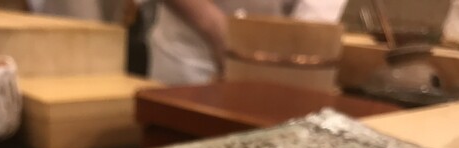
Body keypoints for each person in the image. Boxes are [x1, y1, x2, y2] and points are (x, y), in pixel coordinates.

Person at [145, 0, 348, 85]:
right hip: (188, 58)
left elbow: (315, 17)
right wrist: (217, 29)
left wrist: (297, 46)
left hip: (278, 69)